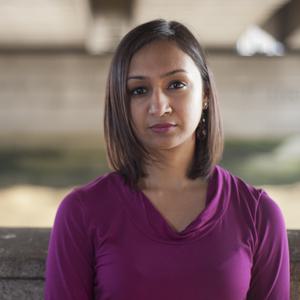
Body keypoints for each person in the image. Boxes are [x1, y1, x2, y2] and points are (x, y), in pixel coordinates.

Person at [44, 19, 290, 299]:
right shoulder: (81, 213)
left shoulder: (259, 215)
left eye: (176, 84)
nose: (159, 106)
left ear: (205, 95)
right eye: (139, 90)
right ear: (121, 104)